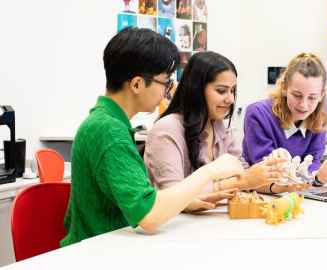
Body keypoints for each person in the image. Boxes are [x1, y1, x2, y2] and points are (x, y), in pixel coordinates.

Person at [61, 28, 244, 247]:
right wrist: (211, 171)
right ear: (137, 84)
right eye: (165, 83)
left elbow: (144, 200)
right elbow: (149, 216)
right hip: (100, 253)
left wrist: (185, 201)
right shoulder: (109, 131)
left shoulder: (108, 123)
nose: (168, 91)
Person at [144, 51, 284, 212]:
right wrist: (242, 182)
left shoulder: (221, 128)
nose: (230, 99)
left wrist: (271, 172)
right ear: (196, 89)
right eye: (221, 90)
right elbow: (173, 195)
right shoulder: (167, 130)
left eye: (232, 91)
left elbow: (242, 172)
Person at [242, 53, 327, 194]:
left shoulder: (319, 118)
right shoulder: (257, 113)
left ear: (321, 95)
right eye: (297, 95)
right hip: (262, 195)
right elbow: (266, 172)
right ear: (284, 88)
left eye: (312, 97)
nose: (304, 105)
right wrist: (314, 177)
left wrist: (319, 176)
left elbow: (313, 164)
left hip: (298, 195)